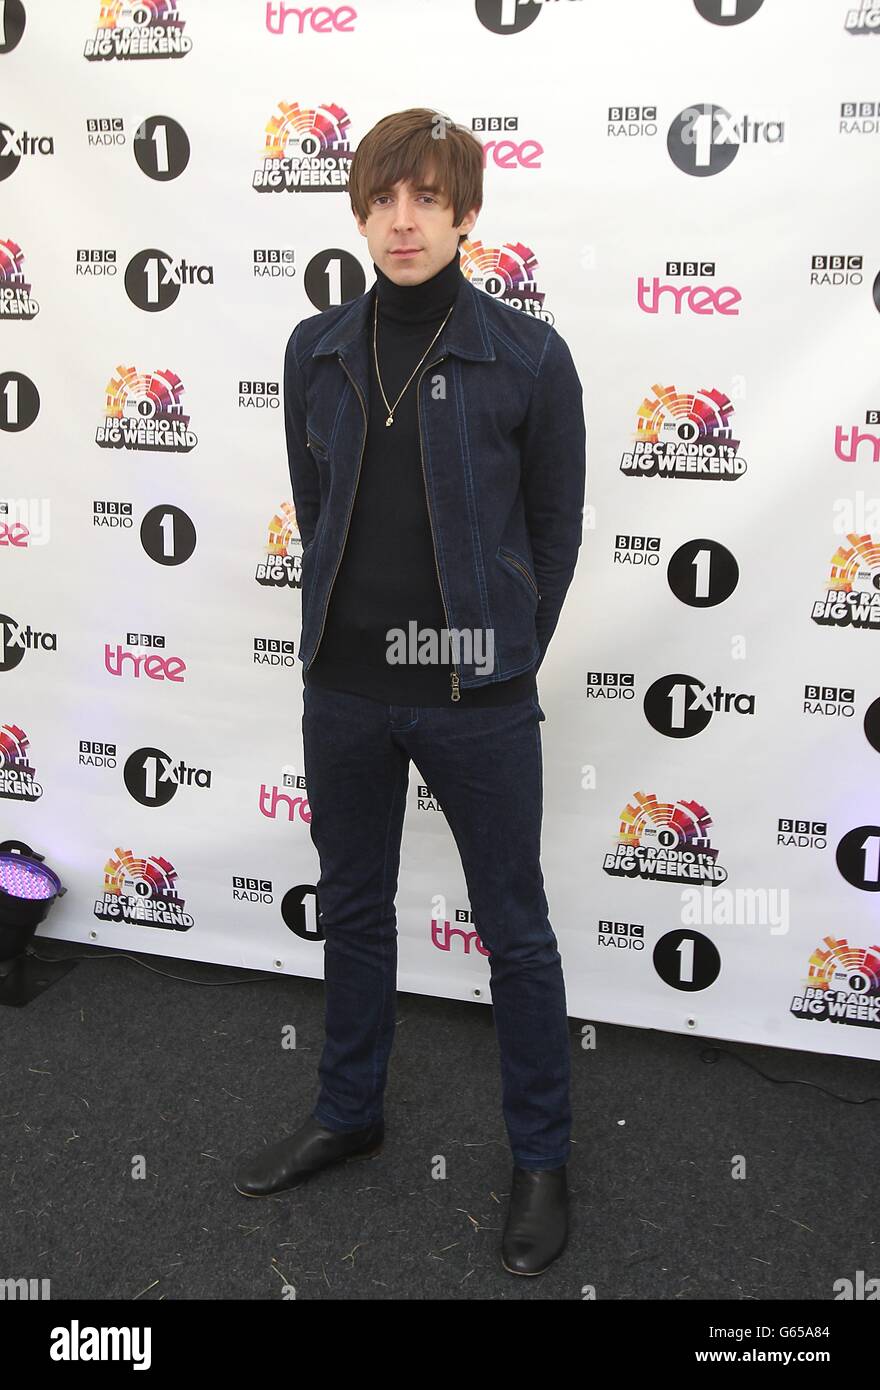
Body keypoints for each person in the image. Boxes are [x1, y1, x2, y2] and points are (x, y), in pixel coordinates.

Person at [235, 108, 587, 1277]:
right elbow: (315, 490)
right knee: (353, 906)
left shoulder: (528, 355)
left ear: (466, 214)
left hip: (472, 690)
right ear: (359, 209)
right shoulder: (315, 349)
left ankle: (540, 1157)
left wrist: (501, 653)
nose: (403, 219)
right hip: (342, 685)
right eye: (386, 197)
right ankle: (351, 1108)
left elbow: (552, 528)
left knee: (516, 931)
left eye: (428, 198)